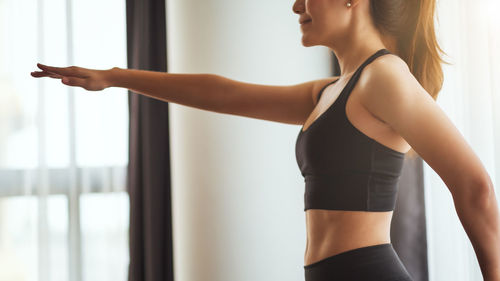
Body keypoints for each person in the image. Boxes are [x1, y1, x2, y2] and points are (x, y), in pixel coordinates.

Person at [31, 0, 500, 280]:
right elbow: (223, 92)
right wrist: (115, 77)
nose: (296, 5)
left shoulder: (385, 77)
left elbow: (474, 186)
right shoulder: (334, 90)